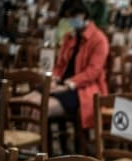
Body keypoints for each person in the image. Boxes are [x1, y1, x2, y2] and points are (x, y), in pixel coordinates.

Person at [20, 0, 108, 135]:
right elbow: (60, 64)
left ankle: (33, 148)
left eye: (71, 17)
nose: (69, 21)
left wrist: (68, 84)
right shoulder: (70, 37)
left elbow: (93, 72)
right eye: (67, 18)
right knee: (26, 101)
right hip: (62, 84)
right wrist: (54, 79)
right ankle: (23, 142)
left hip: (82, 89)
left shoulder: (99, 39)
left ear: (82, 15)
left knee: (39, 107)